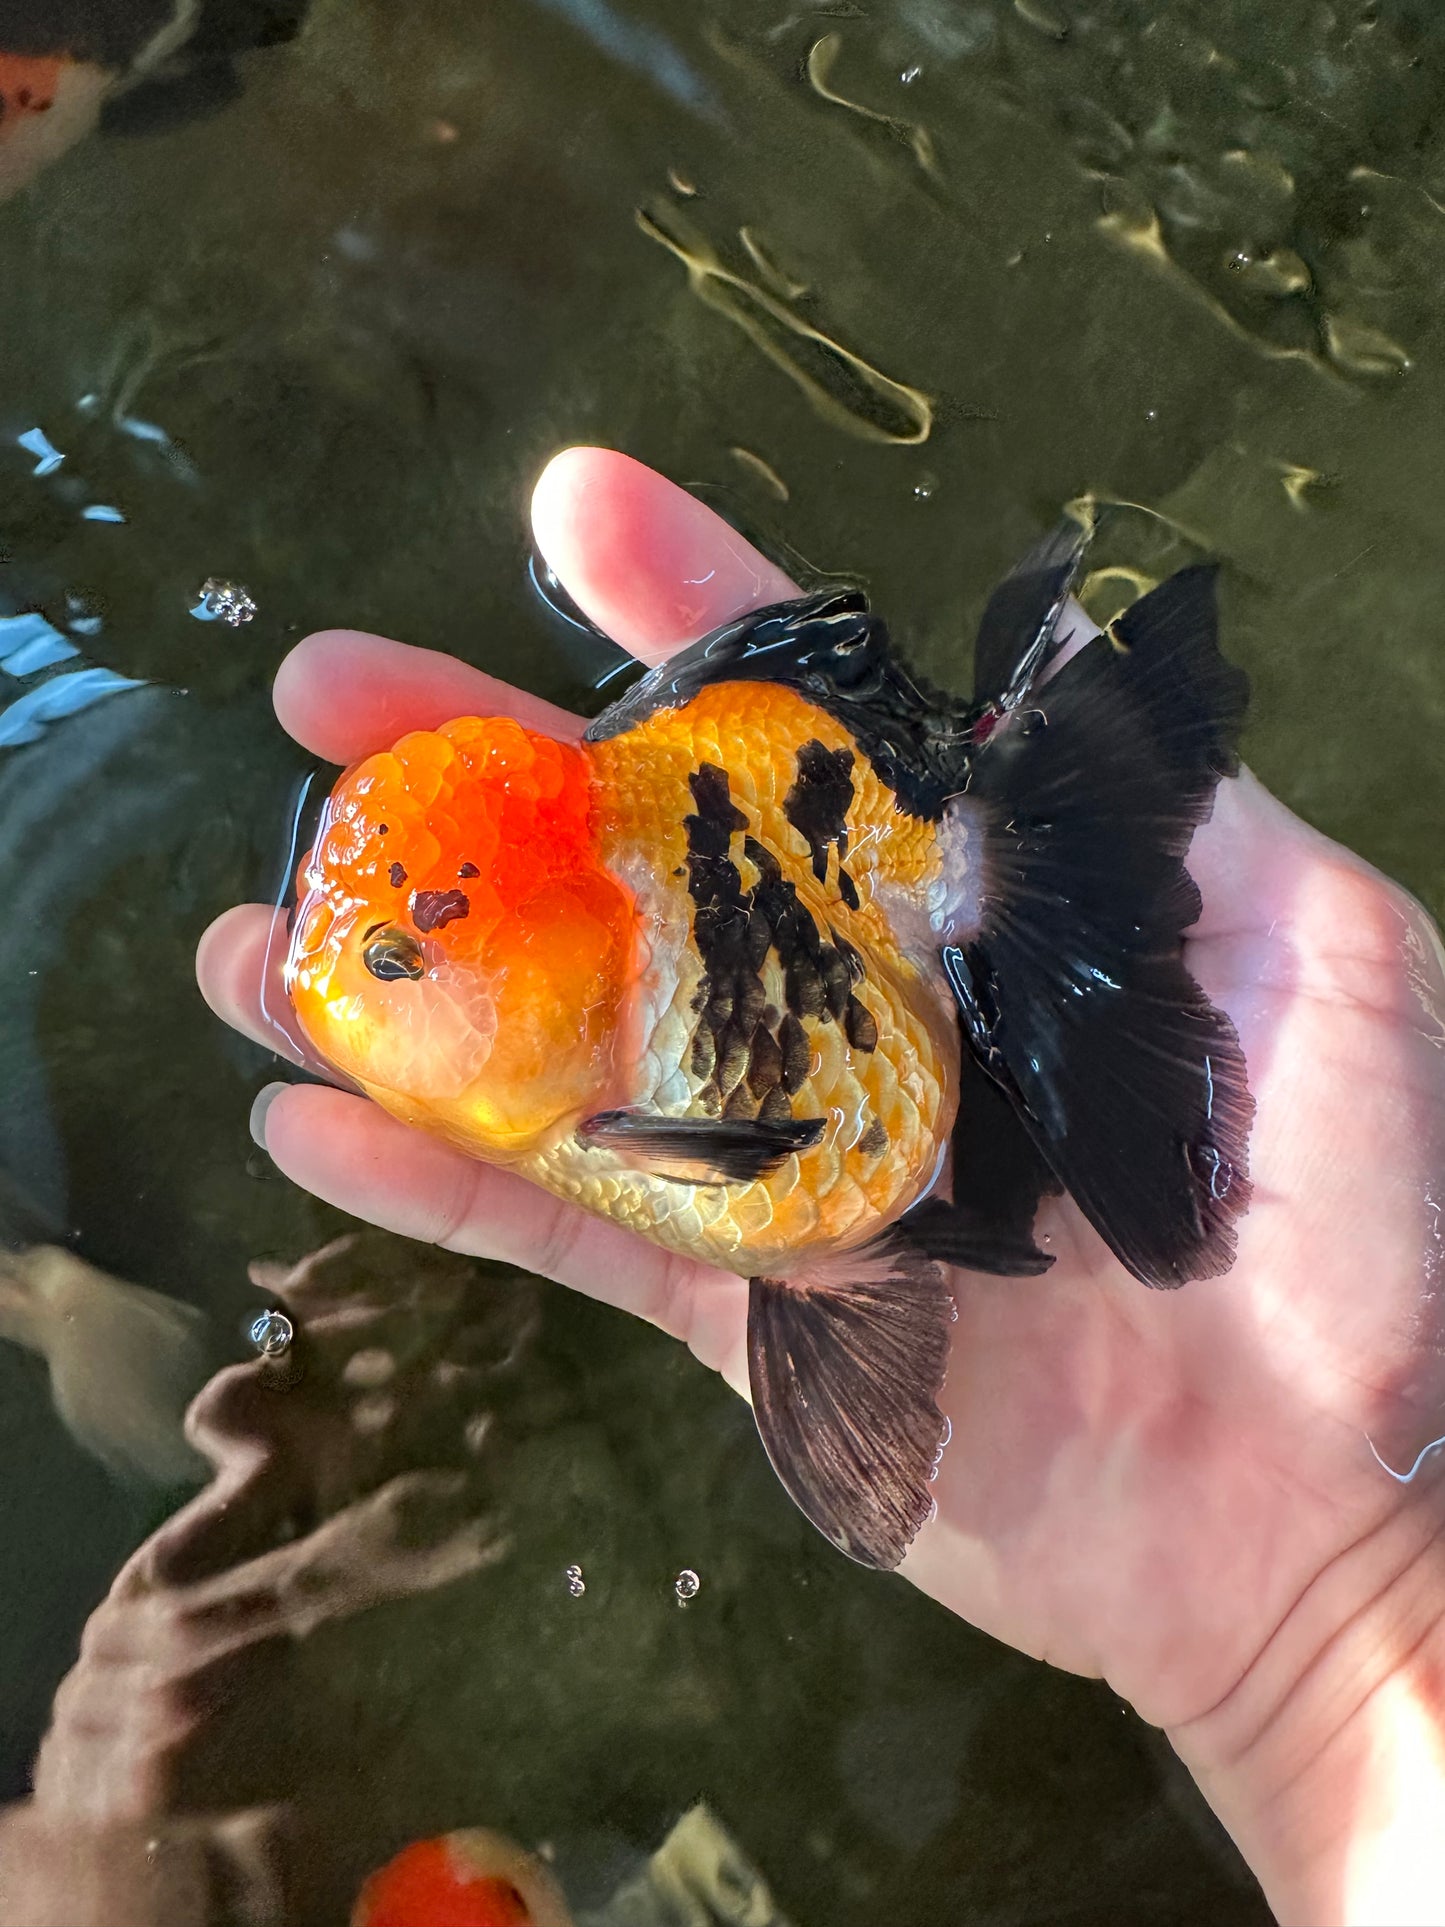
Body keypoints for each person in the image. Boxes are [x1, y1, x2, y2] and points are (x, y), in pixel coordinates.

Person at [198, 447, 1445, 1927]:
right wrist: (1336, 1632)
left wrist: (1355, 1600)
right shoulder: (585, 1076)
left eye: (396, 962)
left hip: (864, 953)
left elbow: (750, 1166)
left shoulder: (625, 1049)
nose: (337, 987)